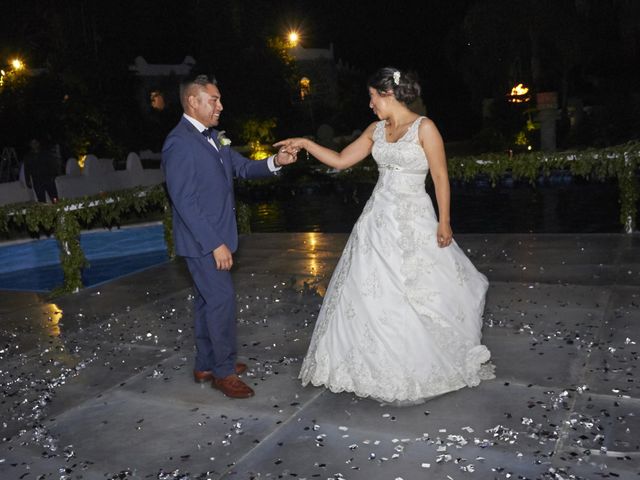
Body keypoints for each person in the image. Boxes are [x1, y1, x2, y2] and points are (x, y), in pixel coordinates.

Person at [275, 67, 494, 405]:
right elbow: (341, 159)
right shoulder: (375, 130)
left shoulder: (425, 128)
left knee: (418, 291)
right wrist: (305, 143)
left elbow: (440, 177)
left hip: (413, 219)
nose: (370, 104)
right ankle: (370, 364)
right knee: (368, 290)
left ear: (387, 94)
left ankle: (417, 363)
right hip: (377, 220)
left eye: (372, 97)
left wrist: (444, 221)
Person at [162, 74, 297, 399]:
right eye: (214, 100)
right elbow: (184, 201)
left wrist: (276, 162)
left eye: (219, 100)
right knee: (221, 301)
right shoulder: (179, 142)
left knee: (207, 302)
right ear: (193, 102)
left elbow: (243, 168)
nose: (220, 106)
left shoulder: (215, 138)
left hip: (214, 237)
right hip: (203, 242)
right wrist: (215, 243)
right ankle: (223, 372)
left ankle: (205, 364)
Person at [23, 137, 60, 203]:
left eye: (35, 143)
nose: (34, 145)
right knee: (41, 201)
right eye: (32, 143)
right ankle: (44, 212)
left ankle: (58, 209)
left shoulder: (45, 153)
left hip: (48, 179)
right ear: (30, 145)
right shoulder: (28, 157)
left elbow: (52, 164)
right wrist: (27, 181)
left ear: (38, 143)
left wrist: (53, 176)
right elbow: (27, 169)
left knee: (54, 198)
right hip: (37, 181)